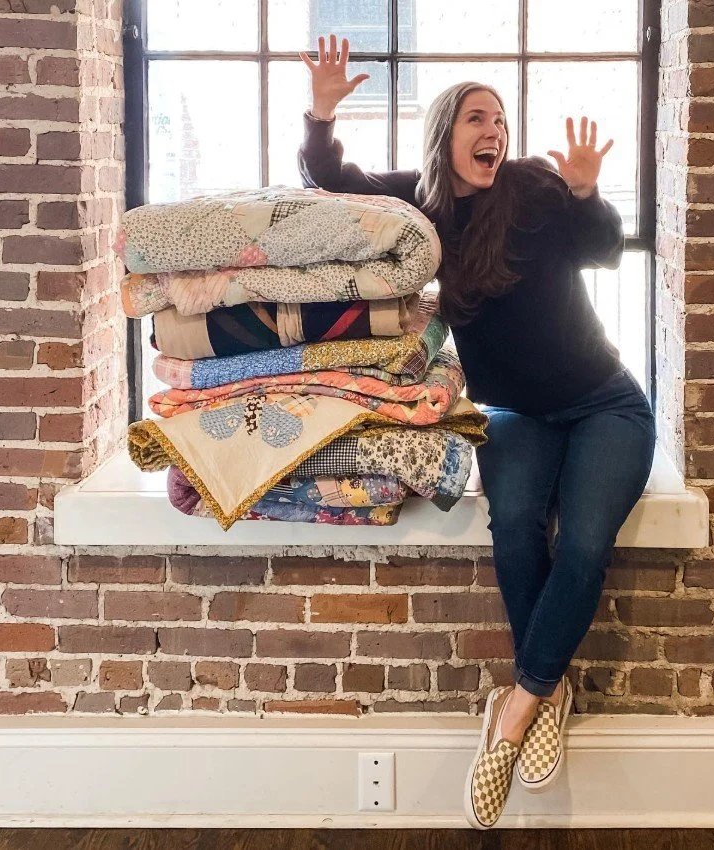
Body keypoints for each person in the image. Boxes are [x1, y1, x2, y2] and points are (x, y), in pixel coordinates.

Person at [298, 34, 656, 829]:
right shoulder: (422, 208)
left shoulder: (530, 187)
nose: (492, 129)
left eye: (498, 117)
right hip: (513, 414)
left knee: (587, 541)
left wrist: (588, 192)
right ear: (445, 134)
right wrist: (321, 117)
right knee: (518, 529)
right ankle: (548, 689)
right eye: (474, 117)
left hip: (605, 404)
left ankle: (517, 710)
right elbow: (335, 186)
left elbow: (601, 252)